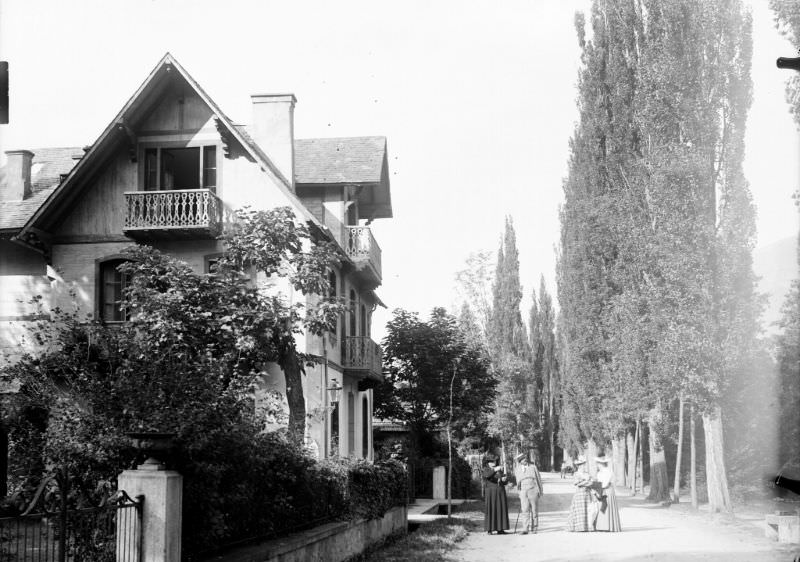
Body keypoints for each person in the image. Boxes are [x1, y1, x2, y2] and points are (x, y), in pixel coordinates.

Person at [514, 452, 543, 534]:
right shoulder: (517, 469)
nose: (525, 460)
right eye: (522, 459)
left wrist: (540, 491)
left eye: (525, 458)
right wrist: (519, 493)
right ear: (519, 461)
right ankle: (525, 528)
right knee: (525, 510)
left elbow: (538, 479)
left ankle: (534, 528)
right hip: (523, 491)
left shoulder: (533, 467)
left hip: (533, 489)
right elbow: (517, 482)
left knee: (534, 509)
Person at [566, 457, 595, 532]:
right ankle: (579, 527)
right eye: (581, 465)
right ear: (578, 466)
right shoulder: (576, 474)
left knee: (588, 509)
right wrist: (586, 482)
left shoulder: (587, 473)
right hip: (580, 493)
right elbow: (576, 483)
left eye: (583, 465)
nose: (583, 466)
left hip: (587, 493)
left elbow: (591, 482)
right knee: (579, 510)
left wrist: (584, 482)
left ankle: (588, 527)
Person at [482, 455, 510, 535]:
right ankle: (489, 529)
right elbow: (487, 475)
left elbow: (503, 480)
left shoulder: (499, 469)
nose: (493, 463)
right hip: (490, 492)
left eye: (494, 461)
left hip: (500, 491)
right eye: (491, 462)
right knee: (491, 509)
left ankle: (500, 529)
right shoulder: (485, 469)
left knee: (500, 509)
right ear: (488, 463)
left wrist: (504, 480)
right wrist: (494, 469)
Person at [594, 456, 622, 532]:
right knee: (601, 506)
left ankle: (609, 526)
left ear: (601, 464)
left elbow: (605, 483)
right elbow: (599, 482)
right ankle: (601, 525)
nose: (597, 465)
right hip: (602, 490)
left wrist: (600, 488)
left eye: (598, 464)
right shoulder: (600, 473)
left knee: (606, 506)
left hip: (607, 490)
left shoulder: (608, 471)